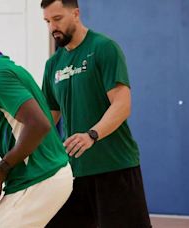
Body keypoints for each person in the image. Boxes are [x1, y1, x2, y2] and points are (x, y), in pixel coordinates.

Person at [40, 0, 152, 227]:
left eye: (57, 19)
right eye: (47, 21)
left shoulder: (103, 48)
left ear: (76, 14)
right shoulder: (53, 65)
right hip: (73, 173)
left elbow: (122, 104)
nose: (52, 27)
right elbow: (48, 117)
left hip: (114, 168)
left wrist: (91, 135)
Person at [0, 17, 73, 228]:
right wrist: (1, 167)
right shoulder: (9, 69)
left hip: (41, 177)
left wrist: (3, 167)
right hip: (47, 173)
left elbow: (39, 124)